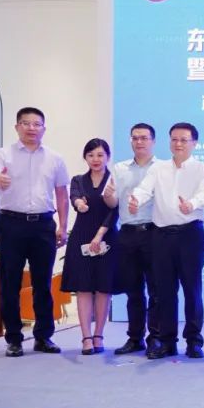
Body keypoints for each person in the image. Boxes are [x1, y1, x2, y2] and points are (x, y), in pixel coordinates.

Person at [0, 107, 69, 358]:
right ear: (17, 127)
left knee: (43, 283)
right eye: (26, 123)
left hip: (43, 225)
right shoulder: (2, 154)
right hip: (11, 224)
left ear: (44, 128)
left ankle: (43, 336)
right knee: (10, 282)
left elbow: (62, 194)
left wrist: (63, 226)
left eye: (36, 124)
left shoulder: (54, 158)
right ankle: (13, 339)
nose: (31, 128)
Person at [129, 122, 204, 360]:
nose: (178, 144)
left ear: (194, 143)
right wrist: (136, 200)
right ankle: (167, 342)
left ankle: (194, 341)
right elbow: (145, 189)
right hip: (162, 236)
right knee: (164, 291)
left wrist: (191, 205)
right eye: (174, 139)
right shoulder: (158, 168)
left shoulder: (203, 169)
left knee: (192, 290)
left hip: (190, 235)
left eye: (184, 140)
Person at [105, 123, 160, 355]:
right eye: (135, 138)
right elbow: (112, 202)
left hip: (154, 232)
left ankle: (155, 337)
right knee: (133, 290)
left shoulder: (162, 169)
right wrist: (108, 196)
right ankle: (135, 338)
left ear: (153, 141)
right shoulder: (119, 169)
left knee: (156, 289)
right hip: (127, 233)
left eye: (144, 138)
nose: (139, 142)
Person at [60, 138, 119, 354]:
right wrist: (79, 204)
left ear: (108, 157)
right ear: (85, 157)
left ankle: (98, 335)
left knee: (103, 288)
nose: (96, 159)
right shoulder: (78, 180)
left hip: (107, 236)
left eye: (100, 155)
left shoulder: (114, 180)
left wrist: (100, 235)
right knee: (83, 287)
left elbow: (115, 210)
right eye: (91, 155)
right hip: (81, 237)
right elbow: (74, 197)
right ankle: (86, 337)